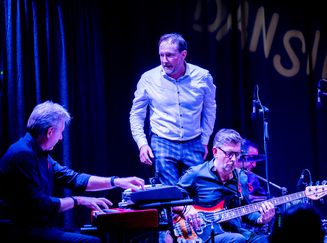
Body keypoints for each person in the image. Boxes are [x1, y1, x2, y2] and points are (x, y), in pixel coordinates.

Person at [0, 100, 146, 242]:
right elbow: (42, 205)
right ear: (50, 132)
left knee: (101, 234)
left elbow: (74, 179)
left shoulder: (39, 153)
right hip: (20, 231)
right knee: (92, 241)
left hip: (36, 228)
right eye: (61, 132)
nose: (61, 138)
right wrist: (78, 200)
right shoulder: (21, 155)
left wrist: (116, 181)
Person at [129, 32, 217, 186]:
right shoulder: (149, 78)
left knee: (197, 190)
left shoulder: (203, 77)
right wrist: (142, 143)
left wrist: (205, 140)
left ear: (183, 54)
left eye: (169, 55)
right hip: (162, 141)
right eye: (161, 55)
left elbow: (210, 109)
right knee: (170, 193)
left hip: (194, 141)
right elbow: (136, 114)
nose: (164, 60)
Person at [172, 128, 275, 243]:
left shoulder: (241, 177)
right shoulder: (196, 174)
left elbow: (246, 210)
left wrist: (262, 218)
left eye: (237, 154)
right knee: (237, 240)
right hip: (203, 235)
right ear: (215, 152)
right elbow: (171, 200)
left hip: (234, 231)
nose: (234, 159)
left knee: (265, 240)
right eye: (229, 154)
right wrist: (186, 209)